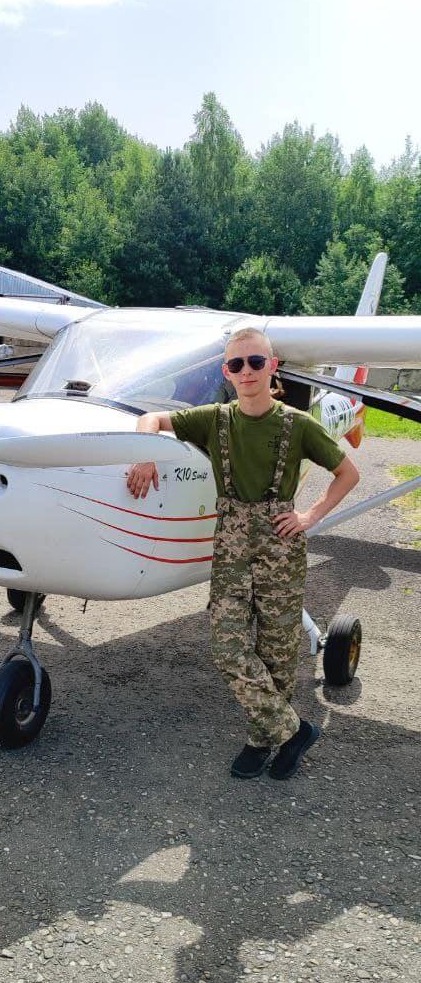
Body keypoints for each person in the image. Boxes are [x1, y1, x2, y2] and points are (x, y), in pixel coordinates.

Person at [126, 327, 360, 780]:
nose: (246, 371)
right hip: (231, 553)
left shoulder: (298, 425)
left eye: (256, 362)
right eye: (237, 364)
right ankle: (292, 731)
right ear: (226, 372)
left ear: (272, 367)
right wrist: (146, 453)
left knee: (278, 652)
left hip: (280, 550)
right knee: (228, 648)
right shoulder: (214, 418)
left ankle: (262, 739)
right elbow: (152, 418)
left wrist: (309, 516)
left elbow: (347, 473)